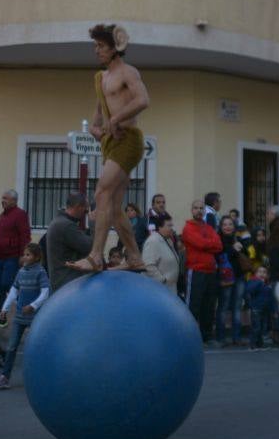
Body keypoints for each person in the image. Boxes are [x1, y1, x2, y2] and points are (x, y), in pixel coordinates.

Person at [67, 24, 150, 274]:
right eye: (95, 46)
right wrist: (98, 130)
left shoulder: (128, 72)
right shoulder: (100, 79)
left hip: (129, 140)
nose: (96, 51)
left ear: (115, 49)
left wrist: (115, 120)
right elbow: (97, 121)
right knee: (113, 208)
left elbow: (143, 100)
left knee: (101, 193)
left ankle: (95, 256)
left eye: (101, 46)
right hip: (111, 144)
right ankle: (135, 257)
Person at [0, 243, 50, 390]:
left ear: (36, 257)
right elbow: (13, 291)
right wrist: (4, 308)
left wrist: (33, 306)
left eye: (28, 255)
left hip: (35, 317)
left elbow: (45, 292)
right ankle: (4, 377)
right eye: (24, 254)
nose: (24, 257)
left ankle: (40, 377)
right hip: (19, 316)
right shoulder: (21, 272)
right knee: (11, 347)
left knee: (36, 348)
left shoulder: (40, 272)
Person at [181, 199, 223, 344]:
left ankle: (207, 336)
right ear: (191, 210)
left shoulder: (209, 228)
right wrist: (208, 244)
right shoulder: (188, 228)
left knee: (209, 305)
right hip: (196, 270)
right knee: (194, 304)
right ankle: (188, 336)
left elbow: (219, 245)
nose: (199, 210)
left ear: (204, 211)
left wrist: (207, 245)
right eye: (196, 208)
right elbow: (200, 243)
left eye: (201, 208)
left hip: (210, 270)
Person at [43, 194, 92, 293]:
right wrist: (94, 224)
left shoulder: (58, 221)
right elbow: (90, 247)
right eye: (85, 210)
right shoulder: (67, 226)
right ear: (78, 206)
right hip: (67, 283)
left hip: (60, 280)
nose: (85, 214)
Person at [215, 215, 248, 347]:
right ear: (221, 227)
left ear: (234, 227)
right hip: (225, 277)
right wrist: (233, 249)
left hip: (239, 275)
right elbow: (220, 255)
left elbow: (245, 254)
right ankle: (221, 337)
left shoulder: (237, 239)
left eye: (230, 224)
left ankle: (237, 337)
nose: (228, 227)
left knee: (237, 307)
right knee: (223, 306)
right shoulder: (218, 240)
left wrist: (241, 247)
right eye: (225, 225)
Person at [0, 189, 31, 294]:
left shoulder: (20, 214)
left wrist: (24, 255)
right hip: (0, 257)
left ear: (14, 200)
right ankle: (0, 309)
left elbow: (25, 236)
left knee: (7, 284)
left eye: (5, 198)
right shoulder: (2, 215)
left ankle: (14, 307)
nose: (2, 200)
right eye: (2, 198)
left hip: (12, 258)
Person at [141, 217, 181, 293]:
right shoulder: (153, 241)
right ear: (160, 227)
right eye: (169, 226)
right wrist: (162, 280)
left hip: (169, 287)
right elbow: (148, 265)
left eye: (172, 226)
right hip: (159, 289)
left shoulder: (168, 240)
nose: (172, 228)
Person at [244, 266, 273, 351]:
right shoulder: (253, 281)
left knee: (262, 327)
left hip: (265, 308)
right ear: (255, 274)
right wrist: (259, 282)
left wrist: (273, 309)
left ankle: (260, 344)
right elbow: (249, 290)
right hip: (256, 308)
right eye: (260, 272)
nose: (262, 274)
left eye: (264, 272)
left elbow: (270, 298)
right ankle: (253, 344)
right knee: (256, 327)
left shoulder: (267, 284)